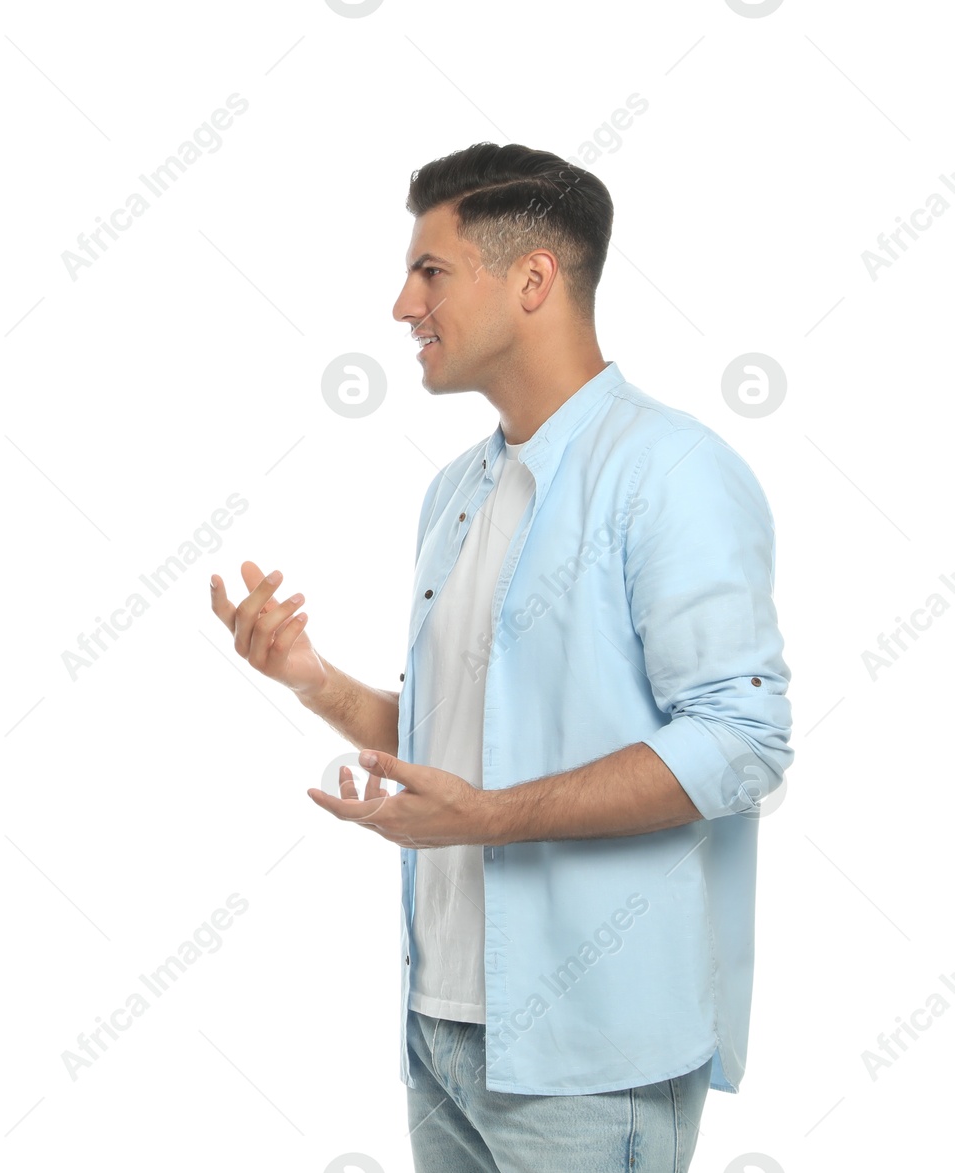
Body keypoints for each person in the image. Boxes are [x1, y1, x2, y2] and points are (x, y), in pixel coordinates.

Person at [210, 143, 793, 1171]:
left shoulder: (672, 472)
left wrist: (483, 819)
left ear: (532, 280)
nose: (400, 305)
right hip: (440, 1034)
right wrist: (310, 678)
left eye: (429, 271)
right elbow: (460, 735)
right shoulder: (454, 493)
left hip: (591, 1061)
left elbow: (740, 743)